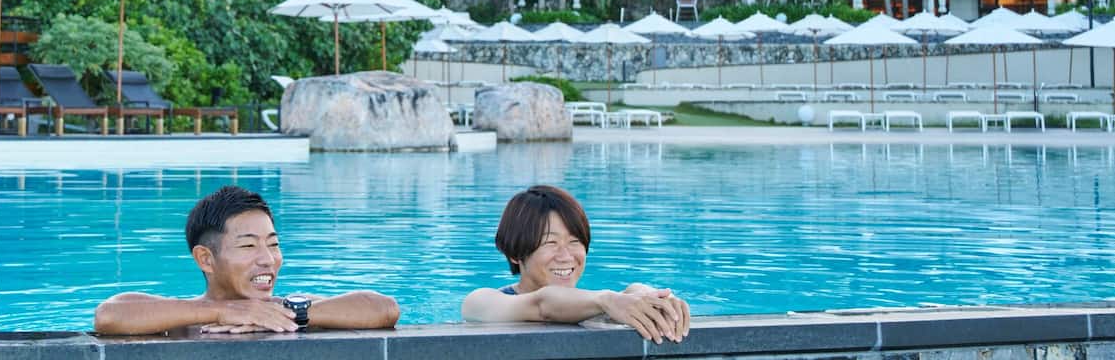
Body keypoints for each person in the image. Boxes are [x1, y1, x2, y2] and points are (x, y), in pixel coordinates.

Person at [93, 185, 401, 335]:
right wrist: (223, 312)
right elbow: (108, 316)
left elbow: (384, 309)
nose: (268, 259)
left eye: (273, 244)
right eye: (248, 245)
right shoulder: (180, 318)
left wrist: (291, 316)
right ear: (205, 259)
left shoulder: (288, 309)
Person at [461, 184, 690, 342]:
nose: (566, 255)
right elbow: (542, 305)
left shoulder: (593, 305)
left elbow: (627, 295)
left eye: (574, 241)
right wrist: (608, 300)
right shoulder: (481, 302)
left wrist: (653, 297)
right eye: (550, 243)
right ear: (515, 253)